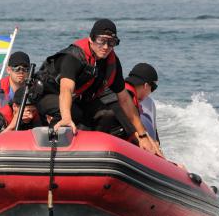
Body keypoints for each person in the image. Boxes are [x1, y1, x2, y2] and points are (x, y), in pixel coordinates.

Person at [35, 19, 161, 155]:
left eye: (111, 42)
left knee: (109, 113)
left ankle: (93, 151)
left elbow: (124, 99)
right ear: (91, 39)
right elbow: (66, 88)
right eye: (101, 41)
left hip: (78, 99)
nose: (106, 47)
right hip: (48, 94)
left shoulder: (112, 63)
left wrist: (142, 135)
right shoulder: (73, 57)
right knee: (74, 112)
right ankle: (52, 147)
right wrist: (66, 117)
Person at [124, 63, 161, 145]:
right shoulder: (126, 101)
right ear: (146, 85)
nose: (151, 93)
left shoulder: (118, 92)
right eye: (153, 88)